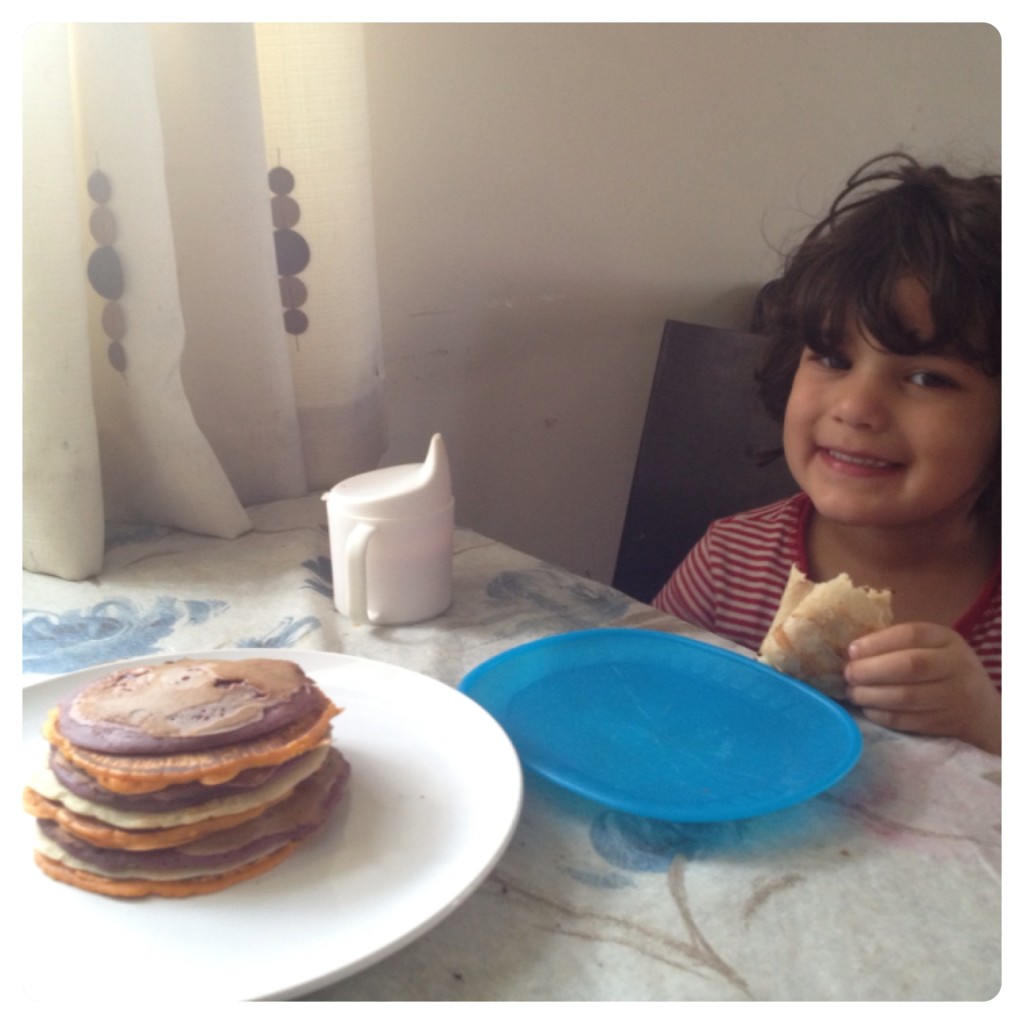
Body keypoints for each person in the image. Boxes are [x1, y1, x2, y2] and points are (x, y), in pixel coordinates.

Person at [654, 152, 1001, 755]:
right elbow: (648, 692)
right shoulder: (730, 560)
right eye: (833, 360)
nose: (856, 406)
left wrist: (988, 724)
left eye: (926, 378)